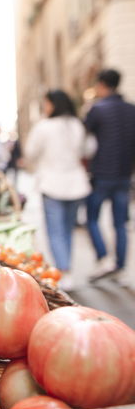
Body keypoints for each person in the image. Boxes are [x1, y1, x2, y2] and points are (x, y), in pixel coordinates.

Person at [24, 90, 96, 289]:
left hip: (52, 183)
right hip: (76, 183)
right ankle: (67, 269)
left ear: (53, 104)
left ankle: (63, 270)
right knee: (67, 230)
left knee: (56, 231)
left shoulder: (44, 126)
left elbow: (30, 152)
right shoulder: (77, 125)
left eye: (46, 104)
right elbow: (89, 149)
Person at [85, 69, 135, 281]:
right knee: (120, 223)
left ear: (102, 84)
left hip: (102, 174)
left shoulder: (97, 109)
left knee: (92, 218)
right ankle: (120, 266)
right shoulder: (131, 109)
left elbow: (84, 136)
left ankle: (104, 258)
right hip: (124, 174)